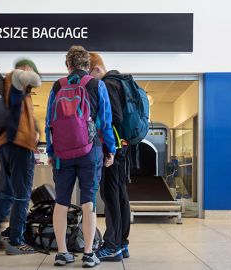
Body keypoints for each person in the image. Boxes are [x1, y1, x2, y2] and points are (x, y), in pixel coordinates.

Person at [45, 46, 116, 268]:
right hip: (90, 151)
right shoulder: (97, 85)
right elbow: (105, 122)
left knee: (61, 202)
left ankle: (62, 253)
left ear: (68, 65)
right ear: (87, 64)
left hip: (62, 154)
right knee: (88, 201)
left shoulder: (57, 86)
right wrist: (110, 149)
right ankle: (88, 253)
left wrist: (50, 151)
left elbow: (49, 123)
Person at [0, 59, 41, 255]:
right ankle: (16, 241)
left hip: (5, 145)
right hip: (19, 146)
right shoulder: (16, 78)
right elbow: (35, 79)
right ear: (26, 68)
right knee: (22, 195)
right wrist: (30, 73)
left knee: (6, 192)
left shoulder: (6, 87)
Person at [89, 52, 131, 261]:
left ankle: (112, 245)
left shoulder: (107, 84)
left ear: (96, 69)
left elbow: (114, 116)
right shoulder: (120, 82)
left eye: (90, 74)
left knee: (111, 196)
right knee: (120, 195)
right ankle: (122, 243)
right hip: (122, 146)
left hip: (112, 149)